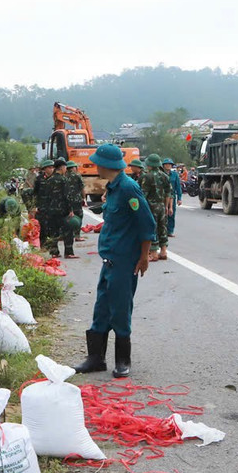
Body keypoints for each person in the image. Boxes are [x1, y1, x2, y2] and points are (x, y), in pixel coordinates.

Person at [73, 144, 156, 379]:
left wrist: (144, 257)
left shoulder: (129, 189)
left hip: (124, 261)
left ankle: (122, 360)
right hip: (109, 260)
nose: (95, 165)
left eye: (98, 162)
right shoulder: (112, 188)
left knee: (120, 309)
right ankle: (96, 358)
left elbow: (146, 224)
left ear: (107, 165)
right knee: (101, 309)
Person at [35, 159, 70, 257]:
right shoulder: (63, 180)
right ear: (62, 167)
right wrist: (71, 209)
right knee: (66, 230)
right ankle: (67, 252)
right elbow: (67, 196)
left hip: (51, 210)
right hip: (60, 210)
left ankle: (54, 252)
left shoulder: (49, 180)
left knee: (53, 231)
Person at [141, 154, 170, 261]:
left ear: (150, 165)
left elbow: (144, 195)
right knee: (163, 227)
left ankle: (153, 253)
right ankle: (163, 251)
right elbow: (168, 193)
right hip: (162, 205)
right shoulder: (165, 176)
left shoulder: (146, 177)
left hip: (150, 206)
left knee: (152, 228)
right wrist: (166, 206)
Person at [65, 162, 86, 242]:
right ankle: (77, 235)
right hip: (76, 200)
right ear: (73, 168)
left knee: (67, 217)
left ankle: (67, 235)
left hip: (66, 200)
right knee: (78, 217)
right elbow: (82, 188)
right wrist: (84, 198)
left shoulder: (64, 176)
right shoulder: (77, 176)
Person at [163, 158, 182, 237]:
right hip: (162, 197)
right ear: (163, 166)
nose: (168, 166)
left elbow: (178, 187)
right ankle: (162, 231)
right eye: (167, 164)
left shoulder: (174, 175)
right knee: (162, 214)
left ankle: (170, 231)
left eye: (170, 164)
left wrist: (179, 198)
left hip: (172, 197)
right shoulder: (161, 174)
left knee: (171, 214)